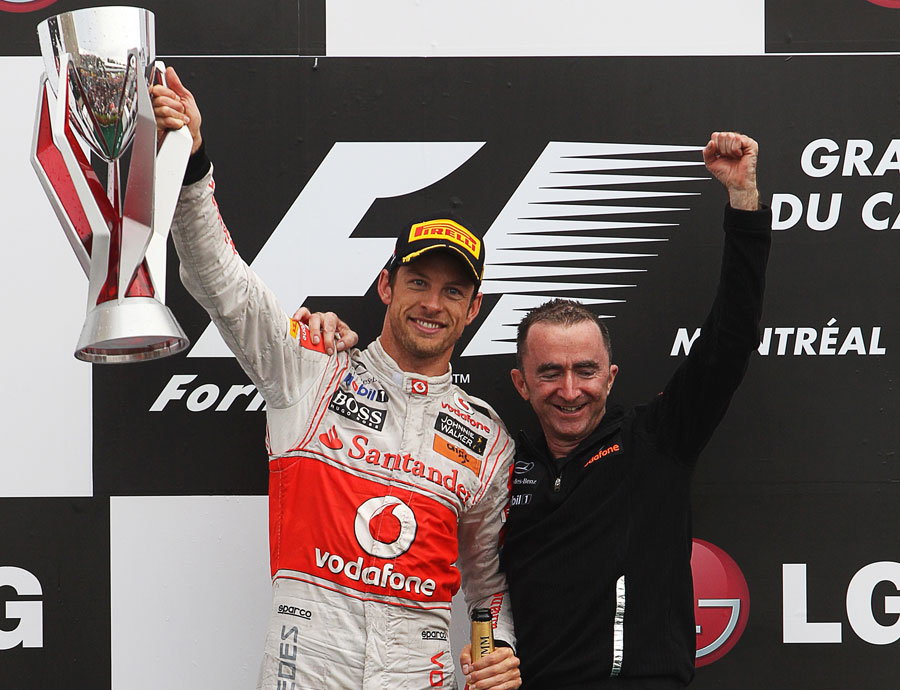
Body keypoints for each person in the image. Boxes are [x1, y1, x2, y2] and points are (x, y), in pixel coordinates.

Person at [152, 67, 521, 690]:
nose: (433, 304)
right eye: (418, 282)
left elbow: (489, 587)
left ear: (473, 309)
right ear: (386, 285)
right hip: (305, 670)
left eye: (454, 291)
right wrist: (192, 166)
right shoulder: (311, 367)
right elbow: (222, 284)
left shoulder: (487, 439)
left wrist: (499, 650)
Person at [489, 132, 772, 689]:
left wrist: (744, 202)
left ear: (611, 377)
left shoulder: (658, 441)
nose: (570, 389)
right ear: (521, 384)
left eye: (586, 370)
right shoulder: (496, 463)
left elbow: (730, 339)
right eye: (550, 373)